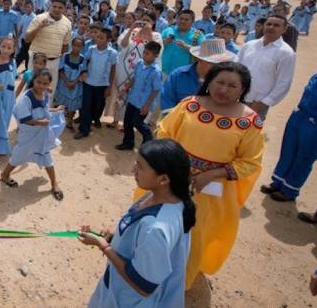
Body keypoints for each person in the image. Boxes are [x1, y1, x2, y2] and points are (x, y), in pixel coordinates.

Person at [155, 62, 263, 288]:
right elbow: (164, 132)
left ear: (243, 89)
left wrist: (213, 174)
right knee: (159, 226)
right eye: (219, 82)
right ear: (208, 82)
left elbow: (250, 162)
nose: (223, 89)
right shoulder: (189, 105)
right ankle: (149, 271)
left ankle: (178, 284)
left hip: (212, 193)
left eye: (232, 86)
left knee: (195, 235)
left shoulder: (250, 121)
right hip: (172, 181)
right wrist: (176, 164)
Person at [80, 139, 195, 307]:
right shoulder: (167, 198)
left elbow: (143, 285)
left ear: (163, 179)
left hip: (128, 300)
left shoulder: (155, 229)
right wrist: (115, 232)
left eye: (140, 167)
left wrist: (103, 245)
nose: (133, 169)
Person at [0, 69, 64, 201]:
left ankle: (54, 183)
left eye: (45, 83)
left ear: (49, 84)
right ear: (33, 81)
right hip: (29, 136)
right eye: (39, 82)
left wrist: (55, 110)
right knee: (18, 155)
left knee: (46, 156)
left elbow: (44, 110)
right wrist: (41, 123)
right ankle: (5, 175)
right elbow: (25, 119)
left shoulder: (45, 95)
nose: (41, 86)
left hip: (41, 135)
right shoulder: (26, 99)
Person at [260, 73, 317, 202]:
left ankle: (290, 190)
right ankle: (278, 181)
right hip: (300, 115)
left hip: (314, 124)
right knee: (288, 150)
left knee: (304, 157)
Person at [235, 14, 296, 119]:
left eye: (276, 25)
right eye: (269, 24)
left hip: (257, 103)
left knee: (249, 128)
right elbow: (235, 68)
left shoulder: (286, 53)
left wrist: (264, 103)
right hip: (235, 97)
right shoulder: (249, 45)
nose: (271, 27)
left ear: (284, 29)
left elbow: (284, 83)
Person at [109, 12, 163, 128]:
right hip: (124, 68)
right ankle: (116, 120)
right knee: (120, 92)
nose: (145, 22)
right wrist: (131, 29)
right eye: (143, 19)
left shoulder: (156, 35)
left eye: (148, 20)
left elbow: (156, 51)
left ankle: (127, 123)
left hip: (141, 70)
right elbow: (122, 45)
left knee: (133, 95)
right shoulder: (131, 31)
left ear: (153, 22)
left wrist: (149, 33)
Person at [161, 38, 235, 111]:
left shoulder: (227, 81)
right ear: (199, 59)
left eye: (221, 64)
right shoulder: (178, 75)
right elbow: (166, 102)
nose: (217, 67)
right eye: (212, 63)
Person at [115, 41, 163, 151]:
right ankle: (128, 143)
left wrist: (147, 105)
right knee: (127, 121)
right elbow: (134, 78)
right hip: (133, 98)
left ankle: (148, 139)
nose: (144, 55)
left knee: (137, 122)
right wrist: (125, 89)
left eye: (147, 53)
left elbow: (156, 90)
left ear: (155, 56)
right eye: (144, 52)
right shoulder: (140, 63)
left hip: (143, 103)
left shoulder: (156, 72)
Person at [24, 0, 73, 96]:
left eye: (60, 7)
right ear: (50, 6)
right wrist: (40, 26)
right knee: (31, 89)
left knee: (49, 92)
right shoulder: (39, 18)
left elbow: (65, 45)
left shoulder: (67, 23)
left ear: (65, 8)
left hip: (54, 62)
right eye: (54, 6)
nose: (56, 9)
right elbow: (27, 39)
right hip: (36, 62)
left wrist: (60, 63)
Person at [75, 27, 117, 140]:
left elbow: (113, 70)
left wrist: (110, 87)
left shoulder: (112, 53)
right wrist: (84, 71)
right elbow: (85, 61)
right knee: (86, 106)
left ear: (108, 40)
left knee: (98, 105)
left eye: (101, 38)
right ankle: (83, 129)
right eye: (97, 37)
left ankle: (94, 120)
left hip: (102, 85)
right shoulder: (91, 49)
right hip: (88, 82)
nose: (98, 39)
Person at [161, 10, 205, 76]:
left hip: (184, 74)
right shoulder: (169, 30)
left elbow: (203, 51)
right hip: (164, 71)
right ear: (177, 19)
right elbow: (155, 45)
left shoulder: (198, 35)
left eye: (186, 19)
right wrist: (164, 42)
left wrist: (186, 46)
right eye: (181, 18)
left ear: (192, 21)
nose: (183, 21)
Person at [56, 38, 85, 130]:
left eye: (79, 46)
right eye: (74, 45)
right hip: (64, 83)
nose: (76, 48)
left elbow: (82, 73)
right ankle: (60, 119)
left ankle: (70, 121)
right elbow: (60, 70)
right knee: (62, 102)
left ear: (82, 47)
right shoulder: (65, 56)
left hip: (76, 85)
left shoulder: (83, 59)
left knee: (73, 103)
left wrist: (74, 83)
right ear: (71, 45)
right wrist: (67, 82)